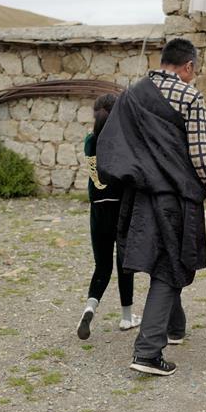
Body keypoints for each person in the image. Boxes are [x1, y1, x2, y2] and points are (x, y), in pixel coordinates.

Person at [97, 38, 206, 376]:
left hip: (140, 195)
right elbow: (202, 156)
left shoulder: (131, 95)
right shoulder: (189, 95)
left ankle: (174, 328)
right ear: (189, 67)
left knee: (164, 261)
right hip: (175, 195)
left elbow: (111, 145)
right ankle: (147, 352)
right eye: (193, 71)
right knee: (171, 266)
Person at [77, 93, 141, 340]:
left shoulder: (89, 141)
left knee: (102, 265)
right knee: (125, 263)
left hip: (98, 209)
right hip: (120, 208)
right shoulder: (122, 142)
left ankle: (89, 308)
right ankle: (127, 317)